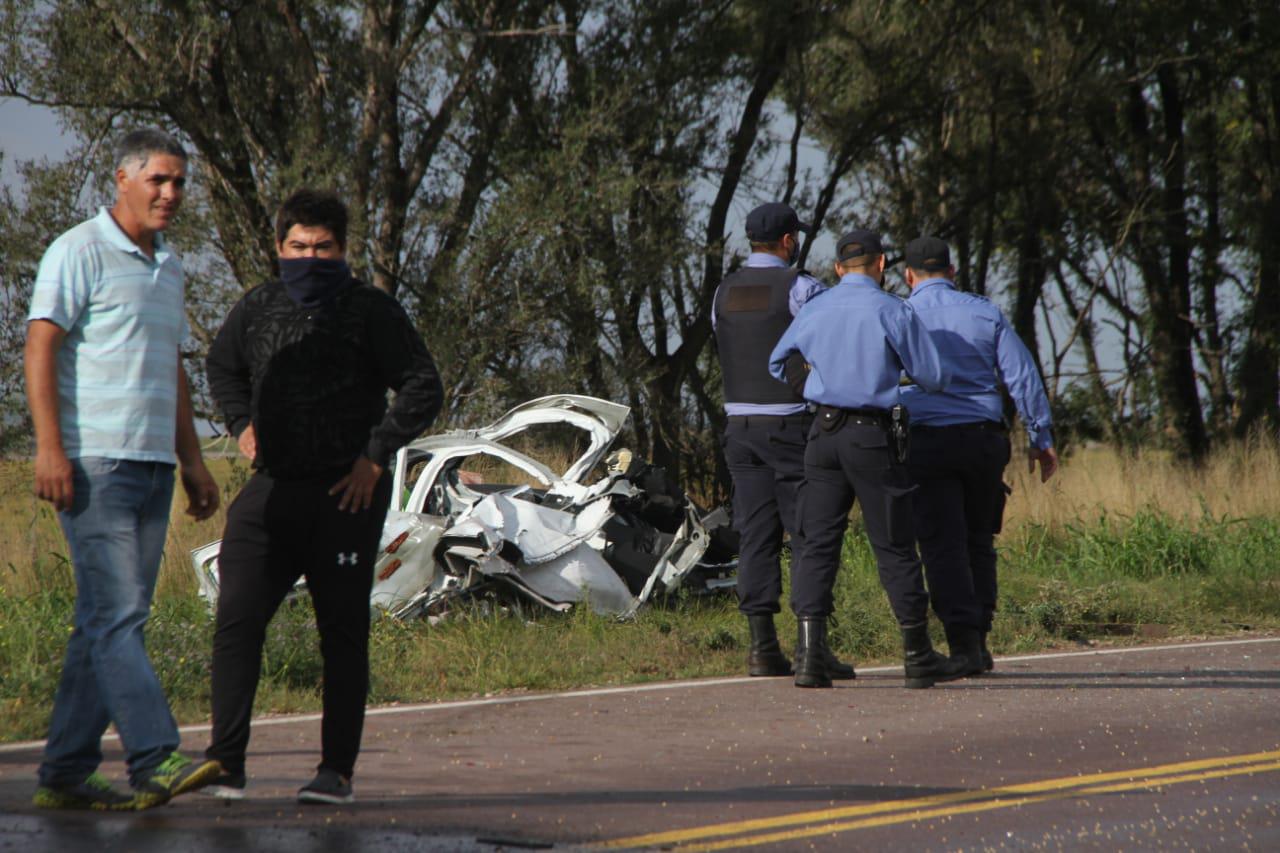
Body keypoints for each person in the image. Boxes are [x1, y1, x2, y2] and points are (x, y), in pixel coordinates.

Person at [202, 189, 444, 805]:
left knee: (340, 633)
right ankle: (224, 764)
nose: (311, 257)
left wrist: (375, 454)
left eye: (324, 247)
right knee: (236, 621)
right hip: (271, 494)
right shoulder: (257, 306)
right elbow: (222, 367)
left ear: (343, 249)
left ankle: (336, 771)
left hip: (346, 497)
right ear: (279, 247)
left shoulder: (371, 311)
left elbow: (422, 385)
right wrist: (240, 425)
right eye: (299, 247)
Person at [24, 128, 223, 810]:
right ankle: (154, 755)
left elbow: (169, 366)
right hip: (93, 463)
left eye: (178, 182)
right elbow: (41, 345)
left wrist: (193, 460)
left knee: (100, 619)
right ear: (122, 179)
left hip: (151, 465)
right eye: (158, 180)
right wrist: (49, 448)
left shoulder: (169, 266)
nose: (170, 194)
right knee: (121, 614)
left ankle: (65, 773)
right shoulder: (77, 250)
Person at [769, 229, 968, 689]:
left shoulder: (816, 307)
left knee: (816, 542)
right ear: (881, 265)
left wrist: (818, 387)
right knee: (894, 543)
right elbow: (933, 376)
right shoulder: (892, 309)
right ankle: (918, 655)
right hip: (871, 436)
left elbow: (779, 362)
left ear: (838, 268)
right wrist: (893, 378)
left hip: (822, 433)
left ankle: (809, 656)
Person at [900, 236, 1057, 674]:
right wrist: (1041, 436)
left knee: (941, 545)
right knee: (978, 539)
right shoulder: (985, 312)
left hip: (926, 442)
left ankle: (963, 643)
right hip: (982, 441)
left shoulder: (900, 315)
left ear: (908, 276)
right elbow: (1022, 376)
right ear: (952, 272)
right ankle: (980, 640)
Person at [712, 202, 853, 680]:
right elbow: (828, 345)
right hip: (791, 425)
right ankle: (812, 648)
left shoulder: (722, 291)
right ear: (789, 241)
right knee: (810, 534)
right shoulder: (802, 288)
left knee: (755, 533)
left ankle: (761, 648)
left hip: (738, 428)